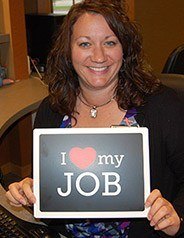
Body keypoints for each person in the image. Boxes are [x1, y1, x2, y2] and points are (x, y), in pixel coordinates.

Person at [5, 0, 184, 237]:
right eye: (85, 43)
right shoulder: (52, 110)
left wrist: (177, 217)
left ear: (125, 49)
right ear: (68, 51)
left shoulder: (162, 107)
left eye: (110, 42)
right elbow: (51, 199)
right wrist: (30, 192)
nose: (98, 56)